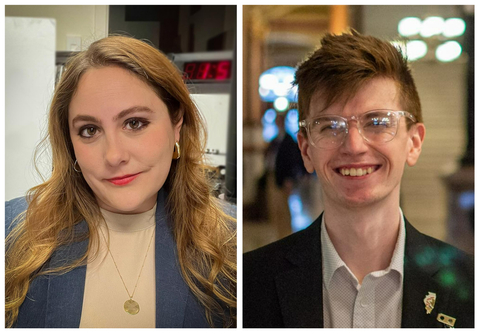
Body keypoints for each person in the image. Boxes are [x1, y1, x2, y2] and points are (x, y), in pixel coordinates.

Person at [243, 30, 473, 328]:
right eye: (329, 126)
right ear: (306, 150)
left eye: (377, 122)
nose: (353, 145)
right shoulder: (247, 285)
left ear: (413, 143)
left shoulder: (471, 285)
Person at [5, 36, 236, 328]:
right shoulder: (9, 234)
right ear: (69, 142)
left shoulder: (232, 244)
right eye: (89, 130)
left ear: (176, 123)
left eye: (134, 123)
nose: (114, 156)